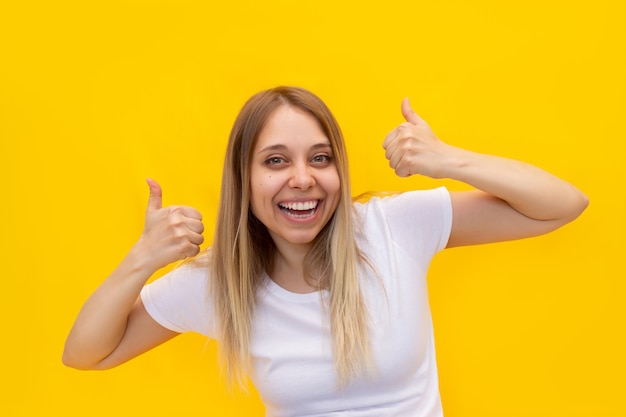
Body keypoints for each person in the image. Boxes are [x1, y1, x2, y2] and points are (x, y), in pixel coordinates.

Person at [63, 86, 588, 416]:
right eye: (275, 161)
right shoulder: (219, 283)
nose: (302, 179)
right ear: (242, 180)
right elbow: (85, 353)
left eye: (320, 158)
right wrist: (143, 259)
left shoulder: (392, 227)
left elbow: (562, 204)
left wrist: (447, 160)